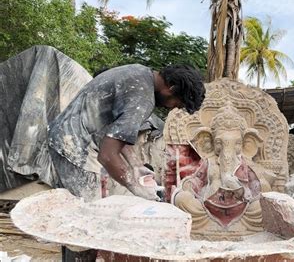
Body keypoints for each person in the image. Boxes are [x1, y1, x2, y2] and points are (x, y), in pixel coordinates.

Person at [48, 64, 205, 202]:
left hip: (66, 134)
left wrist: (136, 165)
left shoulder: (139, 72)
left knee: (75, 204)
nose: (172, 108)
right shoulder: (143, 99)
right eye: (178, 103)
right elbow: (108, 155)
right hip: (74, 145)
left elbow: (114, 133)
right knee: (89, 208)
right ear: (172, 88)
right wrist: (137, 188)